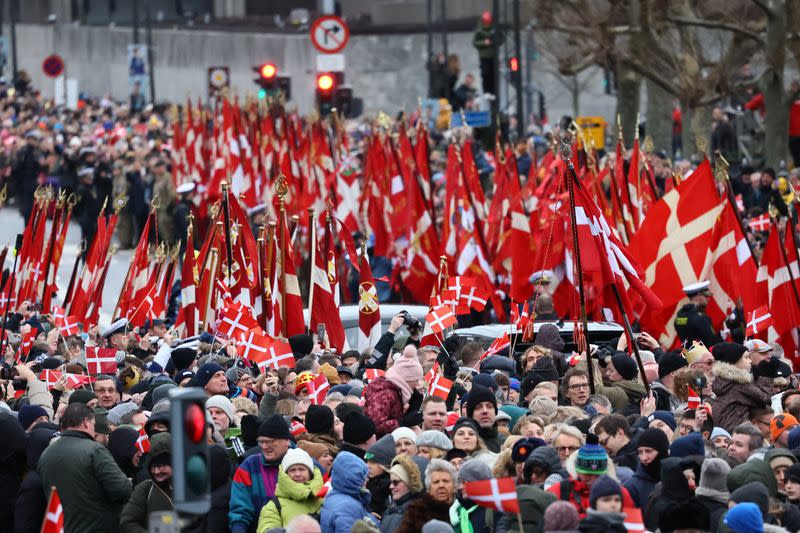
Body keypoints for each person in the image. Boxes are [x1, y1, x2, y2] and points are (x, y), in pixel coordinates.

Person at [38, 403, 132, 532]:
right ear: (87, 422)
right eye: (94, 425)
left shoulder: (46, 453)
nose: (94, 430)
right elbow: (122, 490)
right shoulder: (94, 450)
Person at [229, 415, 292, 533]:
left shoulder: (305, 464)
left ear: (286, 441)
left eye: (270, 442)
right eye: (261, 442)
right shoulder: (249, 466)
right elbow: (239, 511)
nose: (264, 446)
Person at [257, 448, 323, 531]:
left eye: (301, 469)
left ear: (310, 472)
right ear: (285, 474)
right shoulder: (274, 506)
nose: (297, 474)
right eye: (292, 470)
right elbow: (266, 528)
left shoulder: (326, 498)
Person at [711, 343, 772, 432]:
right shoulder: (740, 384)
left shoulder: (721, 380)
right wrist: (765, 376)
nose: (750, 361)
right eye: (746, 357)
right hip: (738, 432)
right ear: (734, 361)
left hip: (725, 431)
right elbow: (765, 399)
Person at [119, 432, 173, 533]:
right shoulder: (145, 489)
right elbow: (127, 522)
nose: (156, 472)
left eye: (161, 466)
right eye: (153, 466)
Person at [320, 451, 379, 533]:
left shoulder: (334, 495)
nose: (367, 479)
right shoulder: (349, 507)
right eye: (364, 476)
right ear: (354, 479)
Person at [396, 459, 457, 533]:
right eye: (436, 482)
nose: (441, 485)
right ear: (429, 489)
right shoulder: (416, 510)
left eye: (446, 481)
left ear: (454, 487)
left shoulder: (461, 510)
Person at [623, 427, 669, 509]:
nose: (644, 457)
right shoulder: (631, 487)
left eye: (648, 451)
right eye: (640, 452)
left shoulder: (678, 479)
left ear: (662, 451)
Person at [379, 455, 423, 533]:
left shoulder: (417, 513)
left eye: (395, 482)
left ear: (408, 483)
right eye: (390, 482)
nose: (391, 486)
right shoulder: (390, 509)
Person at [674, 281, 722, 348]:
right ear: (698, 296)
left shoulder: (680, 316)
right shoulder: (701, 318)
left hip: (688, 355)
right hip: (704, 356)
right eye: (706, 296)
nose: (708, 299)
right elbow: (711, 342)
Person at [467, 385, 506, 452]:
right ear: (471, 414)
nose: (485, 411)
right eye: (478, 407)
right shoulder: (463, 443)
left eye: (489, 406)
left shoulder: (506, 444)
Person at [472, 11, 502, 96]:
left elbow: (502, 39)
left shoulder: (495, 28)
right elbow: (475, 43)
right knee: (485, 74)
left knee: (494, 74)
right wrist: (484, 43)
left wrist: (493, 42)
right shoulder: (479, 31)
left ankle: (494, 93)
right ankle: (487, 92)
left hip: (494, 56)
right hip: (484, 57)